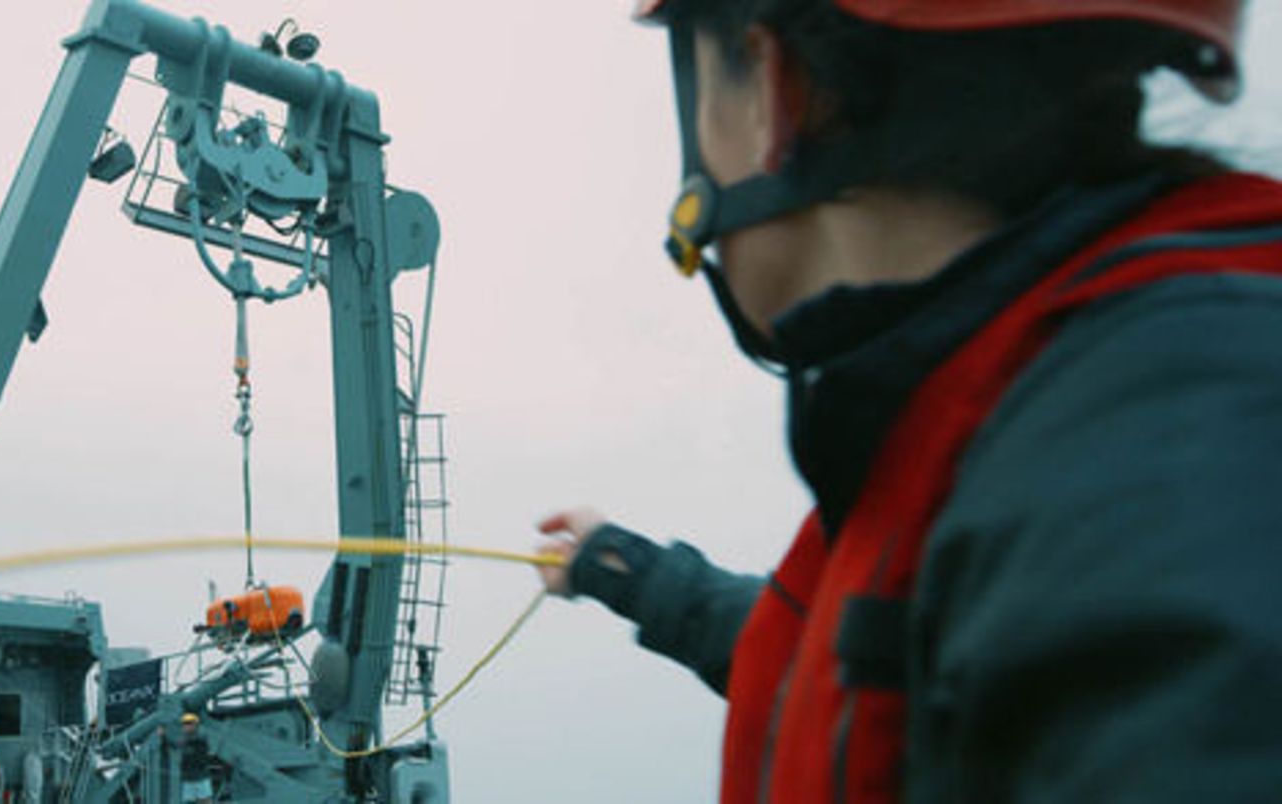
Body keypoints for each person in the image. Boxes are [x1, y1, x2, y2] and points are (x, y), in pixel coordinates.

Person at [536, 1, 1282, 802]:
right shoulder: (1055, 430)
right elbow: (895, 660)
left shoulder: (1164, 439)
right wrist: (630, 573)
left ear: (774, 89)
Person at [174, 712, 215, 804]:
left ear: (195, 725)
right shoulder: (183, 740)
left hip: (201, 776)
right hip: (188, 778)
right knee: (188, 801)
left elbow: (199, 740)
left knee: (205, 800)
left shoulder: (201, 737)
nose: (186, 726)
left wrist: (184, 742)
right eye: (184, 724)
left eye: (189, 723)